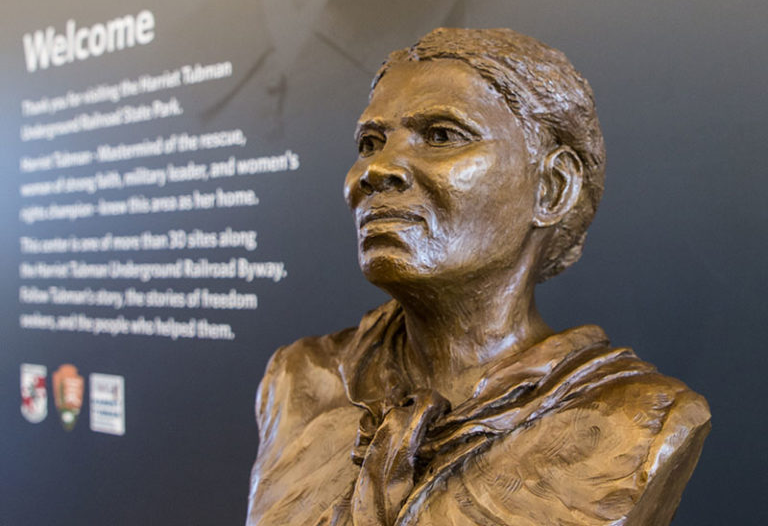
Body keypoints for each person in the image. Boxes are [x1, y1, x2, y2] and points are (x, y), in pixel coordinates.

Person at [246, 28, 710, 526]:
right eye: (370, 142)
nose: (375, 170)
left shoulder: (635, 420)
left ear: (552, 188)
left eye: (442, 135)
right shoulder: (298, 381)